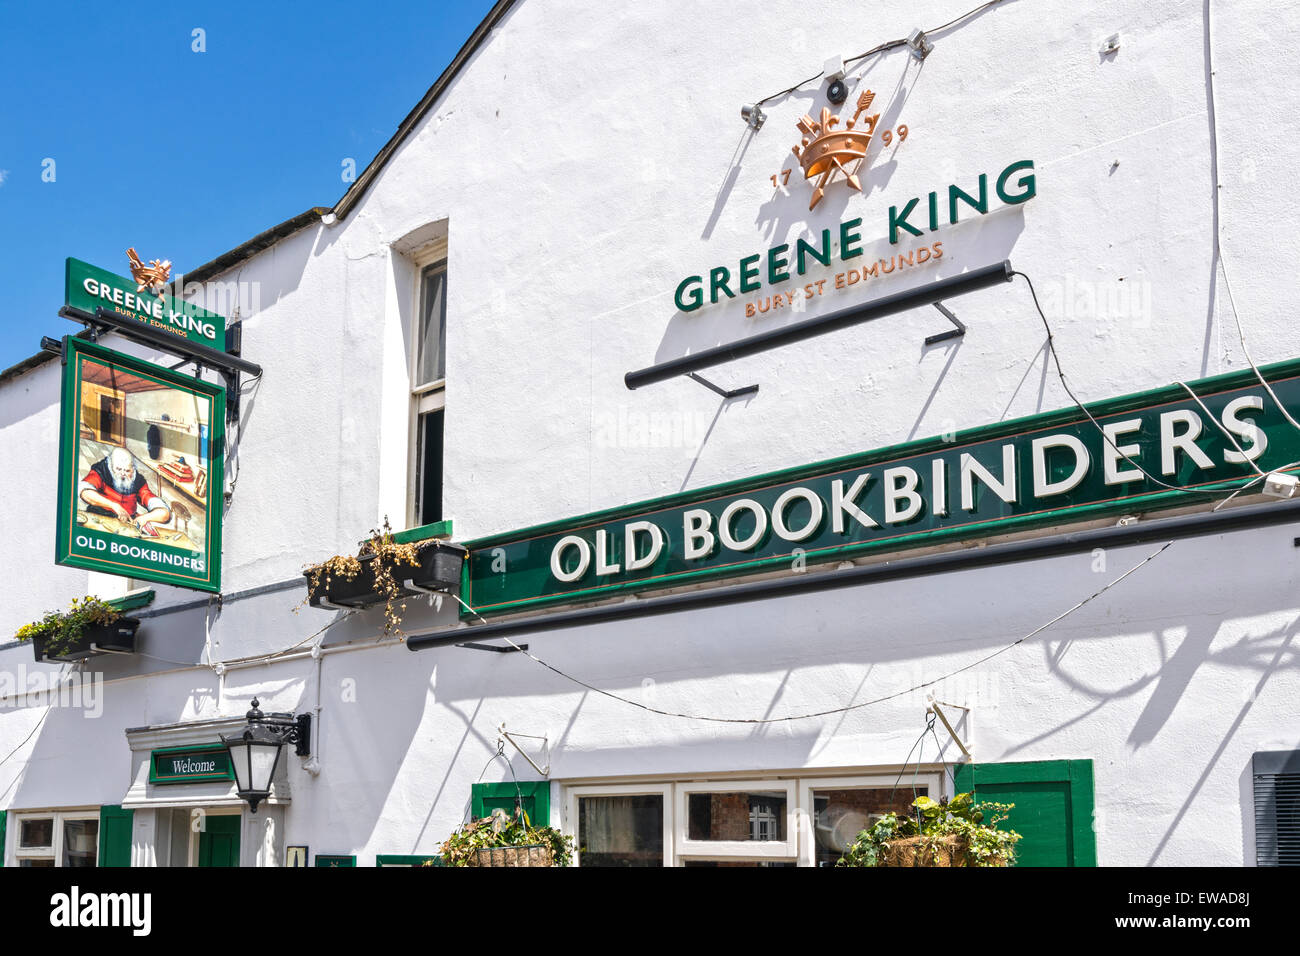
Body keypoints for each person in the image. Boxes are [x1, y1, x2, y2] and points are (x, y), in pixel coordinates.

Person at [80, 446, 172, 531]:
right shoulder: (101, 470)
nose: (123, 474)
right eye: (118, 469)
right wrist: (114, 505)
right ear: (111, 466)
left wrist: (145, 517)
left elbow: (165, 513)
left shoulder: (138, 481)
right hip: (99, 517)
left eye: (127, 471)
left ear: (133, 469)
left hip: (126, 523)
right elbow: (85, 493)